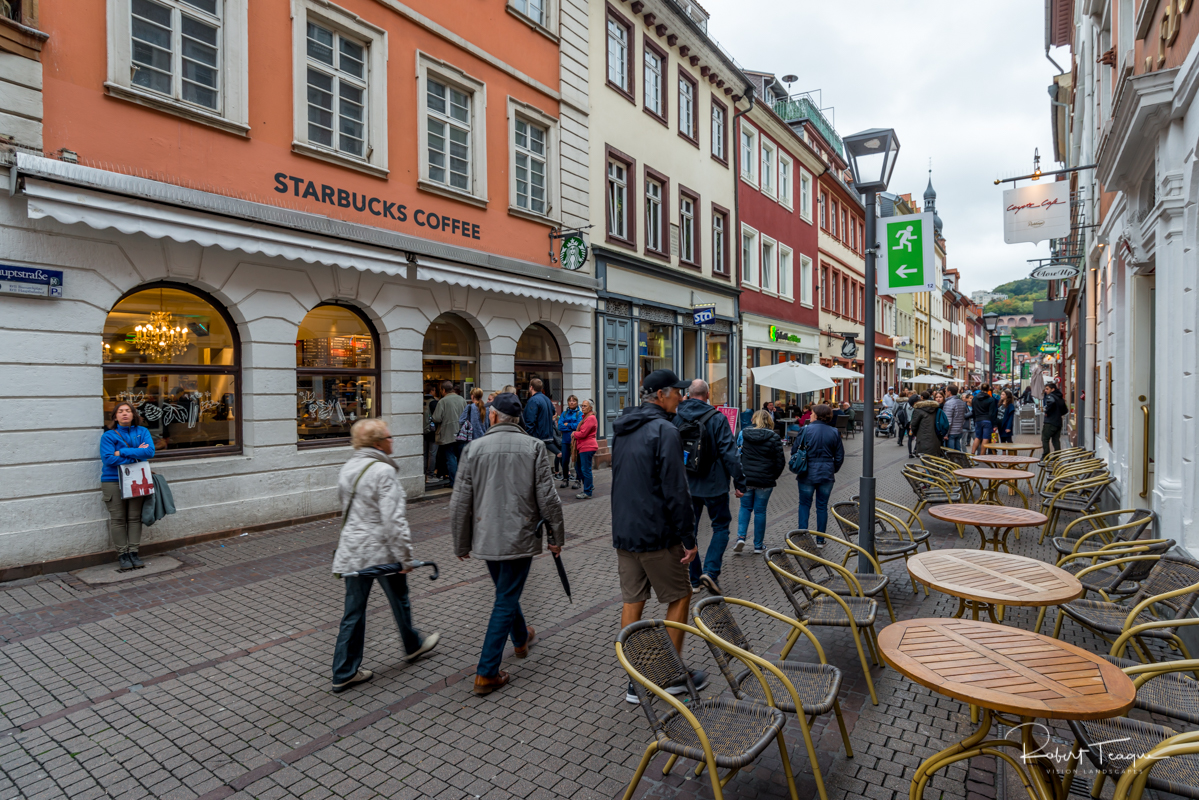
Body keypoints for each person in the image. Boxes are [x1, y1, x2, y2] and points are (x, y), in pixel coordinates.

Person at [451, 393, 565, 696]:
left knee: (506, 592)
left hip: (486, 535)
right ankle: (486, 672)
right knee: (505, 598)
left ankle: (521, 638)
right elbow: (549, 499)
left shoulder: (473, 448)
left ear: (493, 416)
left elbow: (460, 500)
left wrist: (461, 542)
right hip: (521, 535)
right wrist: (555, 538)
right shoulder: (534, 446)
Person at [611, 369, 706, 703]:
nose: (681, 397)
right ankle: (669, 676)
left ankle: (635, 679)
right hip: (657, 532)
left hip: (625, 530)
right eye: (677, 392)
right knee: (680, 595)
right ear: (662, 394)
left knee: (633, 600)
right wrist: (689, 538)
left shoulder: (623, 427)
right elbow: (676, 491)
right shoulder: (665, 430)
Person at [332, 419, 439, 694]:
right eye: (390, 436)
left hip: (353, 551)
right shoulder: (383, 471)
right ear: (378, 442)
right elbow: (393, 520)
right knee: (399, 598)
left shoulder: (348, 467)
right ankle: (412, 645)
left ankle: (344, 670)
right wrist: (405, 558)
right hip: (381, 550)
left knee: (353, 612)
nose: (393, 441)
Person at [675, 379, 745, 595]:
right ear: (707, 394)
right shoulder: (717, 418)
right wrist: (739, 481)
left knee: (690, 530)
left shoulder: (676, 417)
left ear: (689, 394)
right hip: (714, 484)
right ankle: (711, 572)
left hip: (687, 484)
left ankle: (694, 580)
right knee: (721, 526)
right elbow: (729, 453)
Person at [100, 402, 156, 571]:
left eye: (128, 411)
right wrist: (136, 454)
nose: (124, 414)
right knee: (118, 519)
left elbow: (149, 452)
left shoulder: (143, 432)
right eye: (120, 411)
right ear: (115, 416)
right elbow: (109, 459)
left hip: (137, 480)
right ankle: (122, 554)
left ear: (133, 415)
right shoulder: (108, 436)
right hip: (112, 480)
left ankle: (134, 552)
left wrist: (122, 452)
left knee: (134, 517)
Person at [792, 404, 844, 546]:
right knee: (822, 506)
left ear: (816, 415)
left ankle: (802, 538)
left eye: (812, 413)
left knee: (804, 504)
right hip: (826, 473)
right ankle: (820, 540)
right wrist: (833, 469)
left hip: (806, 472)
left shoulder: (805, 430)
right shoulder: (834, 432)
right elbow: (839, 456)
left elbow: (794, 451)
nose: (809, 415)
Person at [735, 410, 785, 555]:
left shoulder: (743, 434)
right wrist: (772, 476)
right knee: (760, 512)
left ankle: (741, 537)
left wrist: (739, 478)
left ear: (754, 419)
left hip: (747, 479)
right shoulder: (774, 437)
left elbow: (737, 456)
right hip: (765, 480)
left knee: (745, 508)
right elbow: (780, 461)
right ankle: (758, 546)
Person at [431, 381, 467, 485]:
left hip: (448, 434)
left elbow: (436, 418)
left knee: (451, 458)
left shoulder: (443, 401)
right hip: (462, 433)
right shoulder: (462, 400)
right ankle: (462, 482)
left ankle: (454, 482)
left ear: (443, 390)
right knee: (461, 458)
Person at [523, 378, 559, 460]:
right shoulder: (547, 399)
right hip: (548, 434)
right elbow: (553, 412)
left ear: (531, 387)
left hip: (537, 436)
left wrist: (527, 436)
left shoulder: (533, 400)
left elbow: (530, 420)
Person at [573, 399, 598, 499]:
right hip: (582, 447)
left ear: (590, 408)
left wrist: (574, 433)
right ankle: (589, 485)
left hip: (587, 447)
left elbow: (583, 433)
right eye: (582, 406)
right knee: (578, 468)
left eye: (585, 406)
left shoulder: (591, 418)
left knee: (585, 469)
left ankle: (587, 491)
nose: (582, 407)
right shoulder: (585, 417)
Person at [556, 395, 582, 490]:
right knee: (564, 461)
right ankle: (565, 479)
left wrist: (568, 425)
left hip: (575, 441)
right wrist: (571, 426)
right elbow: (560, 426)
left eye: (573, 401)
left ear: (576, 402)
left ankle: (578, 480)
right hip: (565, 440)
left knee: (576, 461)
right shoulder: (564, 413)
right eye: (570, 401)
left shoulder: (579, 414)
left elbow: (578, 426)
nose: (571, 402)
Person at [908, 392, 943, 457]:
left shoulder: (918, 410)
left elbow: (914, 426)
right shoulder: (934, 408)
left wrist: (917, 434)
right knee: (934, 461)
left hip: (923, 439)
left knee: (926, 461)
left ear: (915, 403)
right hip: (936, 439)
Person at [1042, 382, 1068, 457]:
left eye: (1047, 389)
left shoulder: (1050, 396)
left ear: (1052, 389)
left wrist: (1047, 411)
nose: (1046, 391)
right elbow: (1065, 411)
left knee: (1045, 438)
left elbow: (1051, 402)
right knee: (1056, 440)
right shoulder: (1060, 398)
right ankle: (1057, 457)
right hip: (1058, 422)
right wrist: (1058, 414)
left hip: (1050, 422)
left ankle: (1045, 456)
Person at [971, 386, 996, 455]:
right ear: (988, 389)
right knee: (986, 438)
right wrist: (994, 424)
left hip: (978, 420)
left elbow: (973, 410)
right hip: (987, 420)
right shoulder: (991, 399)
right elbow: (992, 413)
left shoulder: (975, 398)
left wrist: (975, 419)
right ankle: (982, 455)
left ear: (981, 389)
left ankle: (972, 453)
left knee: (977, 437)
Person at [943, 385, 967, 452]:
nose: (945, 393)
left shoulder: (949, 403)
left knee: (951, 452)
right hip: (959, 430)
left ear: (949, 392)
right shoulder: (961, 402)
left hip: (951, 431)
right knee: (957, 451)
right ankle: (959, 462)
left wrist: (946, 433)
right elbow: (963, 417)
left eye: (946, 391)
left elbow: (948, 420)